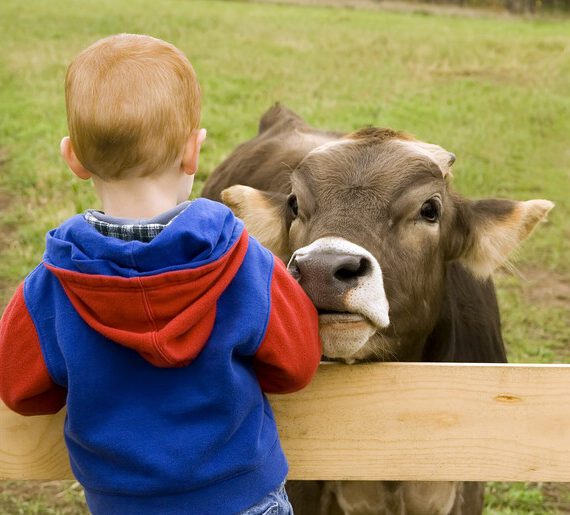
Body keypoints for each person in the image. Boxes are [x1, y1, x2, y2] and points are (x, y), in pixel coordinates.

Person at [0, 34, 321, 515]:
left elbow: (21, 390)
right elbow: (296, 363)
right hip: (243, 498)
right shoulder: (243, 262)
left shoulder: (50, 285)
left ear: (74, 159)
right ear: (193, 153)